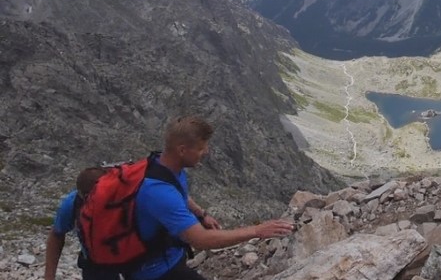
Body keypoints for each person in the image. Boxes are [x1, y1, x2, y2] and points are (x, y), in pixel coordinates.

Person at [128, 115, 294, 280]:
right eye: (200, 148)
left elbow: (180, 194)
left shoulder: (162, 165)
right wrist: (257, 230)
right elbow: (201, 240)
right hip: (154, 272)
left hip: (169, 256)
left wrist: (201, 214)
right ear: (182, 150)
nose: (206, 152)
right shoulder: (159, 193)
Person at [45, 167, 121, 280]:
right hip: (95, 262)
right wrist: (49, 277)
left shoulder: (127, 198)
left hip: (132, 257)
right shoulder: (72, 203)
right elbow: (56, 235)